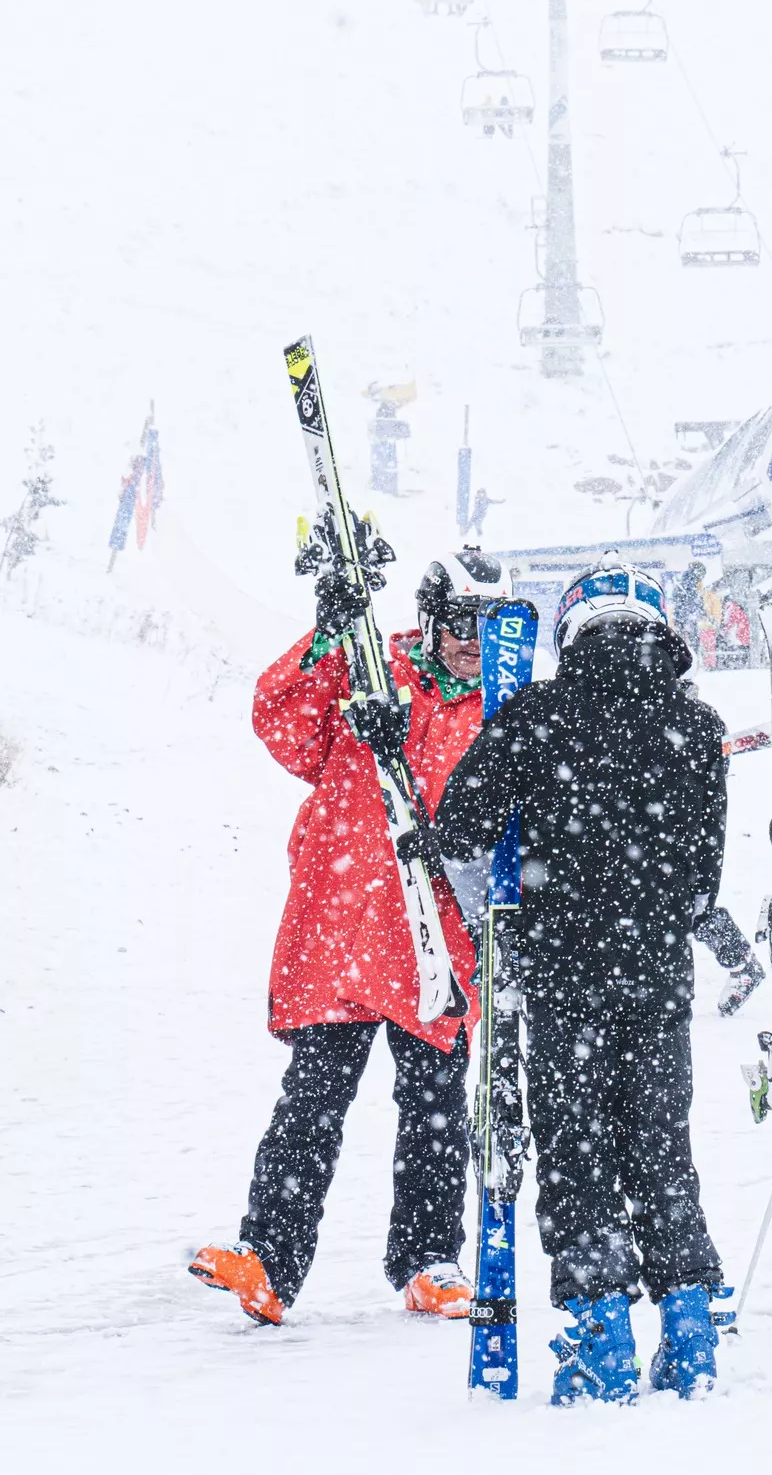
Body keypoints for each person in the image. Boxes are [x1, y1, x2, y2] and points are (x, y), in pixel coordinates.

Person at [433, 561, 730, 1404]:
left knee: (577, 1154)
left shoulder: (538, 718)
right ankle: (689, 1325)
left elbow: (461, 825)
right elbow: (704, 880)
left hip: (564, 978)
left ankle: (601, 1332)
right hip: (660, 978)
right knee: (661, 1148)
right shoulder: (697, 727)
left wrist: (527, 880)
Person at [188, 549, 508, 1328]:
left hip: (437, 942)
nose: (475, 640)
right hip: (347, 928)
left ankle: (431, 1260)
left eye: (493, 624)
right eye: (462, 623)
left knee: (434, 1108)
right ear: (431, 620)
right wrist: (328, 635)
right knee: (311, 1101)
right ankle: (267, 1256)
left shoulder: (505, 709)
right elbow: (283, 723)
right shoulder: (373, 667)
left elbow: (492, 820)